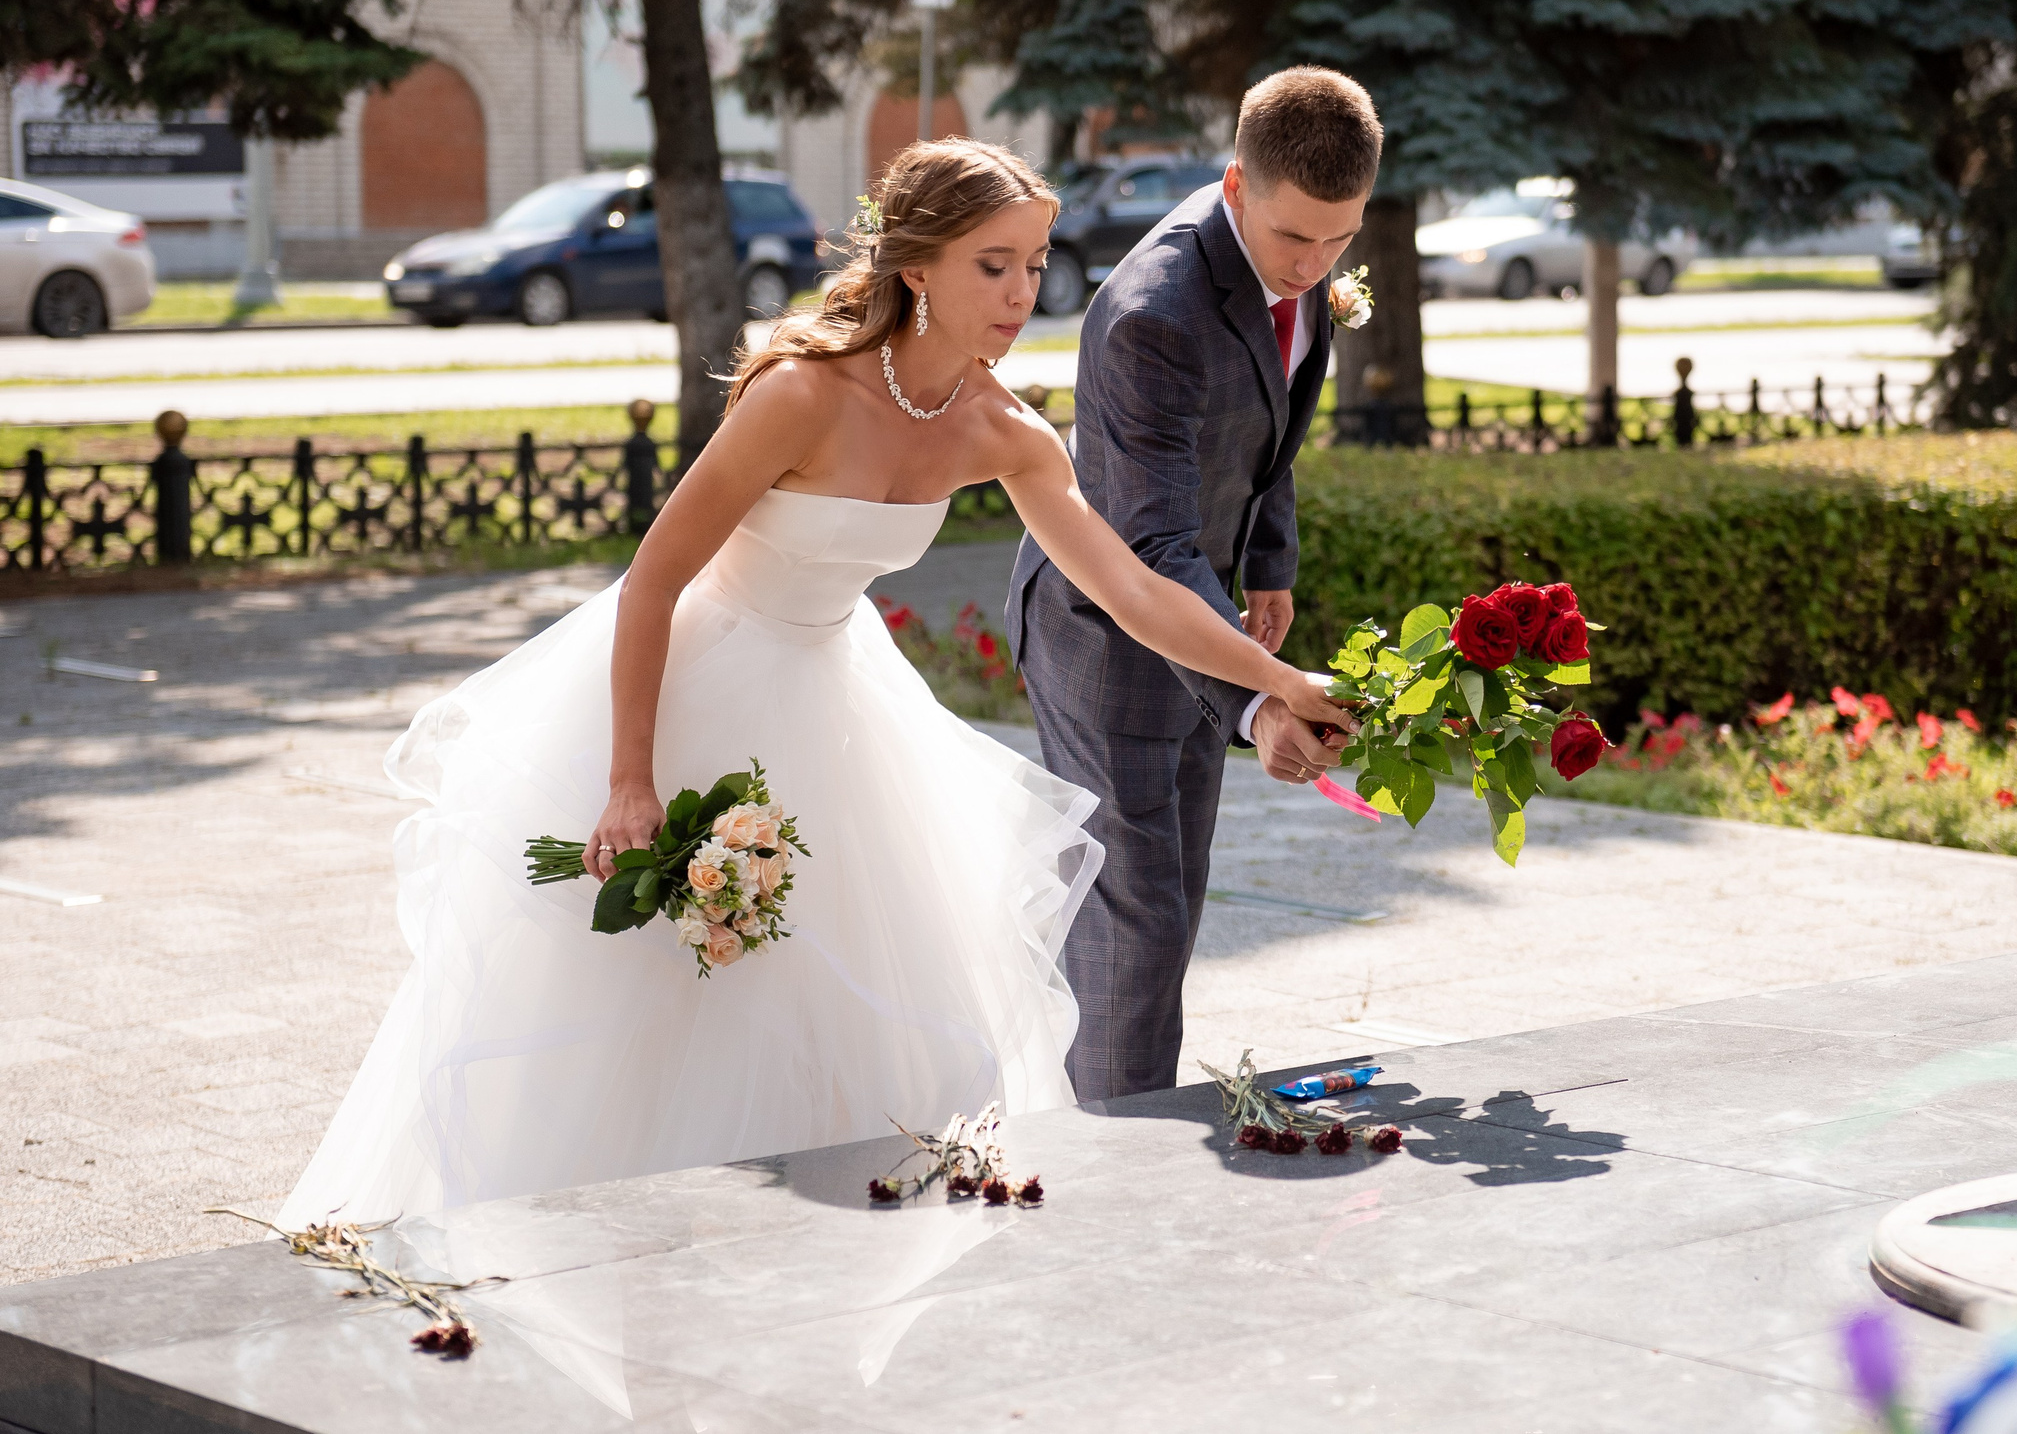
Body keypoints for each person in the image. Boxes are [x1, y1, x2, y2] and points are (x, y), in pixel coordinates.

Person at [277, 140, 1350, 1226]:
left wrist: (1274, 680)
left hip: (837, 706)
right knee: (650, 1008)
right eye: (993, 265)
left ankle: (796, 1262)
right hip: (693, 684)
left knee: (854, 1026)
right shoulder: (800, 393)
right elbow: (650, 582)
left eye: (1032, 264)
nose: (1022, 294)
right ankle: (616, 1243)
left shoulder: (1004, 429)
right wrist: (630, 779)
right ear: (918, 267)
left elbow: (1131, 590)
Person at [1007, 66, 1379, 1100]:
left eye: (1338, 239)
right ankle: (1119, 1171)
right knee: (1139, 916)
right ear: (1233, 185)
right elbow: (1152, 548)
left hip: (1203, 605)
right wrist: (1264, 695)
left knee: (1171, 895)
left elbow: (1268, 430)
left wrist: (1267, 564)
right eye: (1292, 237)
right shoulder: (1152, 313)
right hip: (1102, 631)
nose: (1313, 265)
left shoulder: (1300, 265)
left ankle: (1111, 1118)